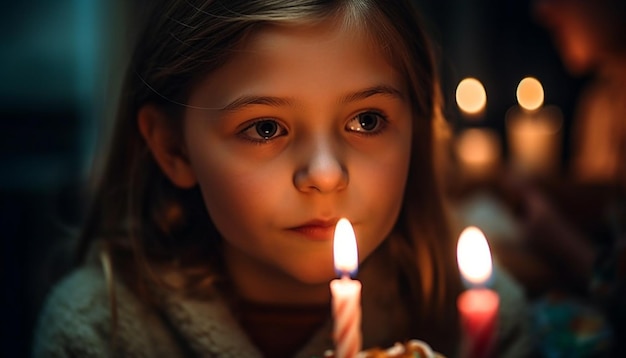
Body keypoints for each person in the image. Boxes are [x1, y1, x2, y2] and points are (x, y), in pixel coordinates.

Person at [32, 1, 532, 357]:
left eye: (367, 121)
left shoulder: (476, 320)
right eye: (265, 128)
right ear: (173, 148)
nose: (325, 175)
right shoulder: (99, 331)